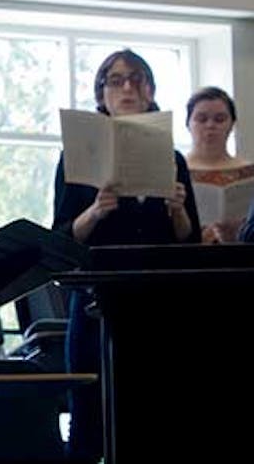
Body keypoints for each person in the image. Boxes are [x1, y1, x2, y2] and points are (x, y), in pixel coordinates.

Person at [52, 48, 201, 463]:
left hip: (157, 300)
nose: (128, 88)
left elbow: (189, 242)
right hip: (97, 301)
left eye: (138, 79)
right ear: (102, 94)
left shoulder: (171, 158)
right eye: (116, 80)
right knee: (91, 416)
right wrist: (96, 211)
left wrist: (177, 211)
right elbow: (61, 237)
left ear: (151, 91)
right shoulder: (76, 156)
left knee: (152, 417)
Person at [184, 86, 254, 244]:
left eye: (219, 119)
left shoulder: (251, 172)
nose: (210, 126)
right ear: (188, 124)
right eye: (201, 119)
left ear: (232, 124)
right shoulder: (174, 171)